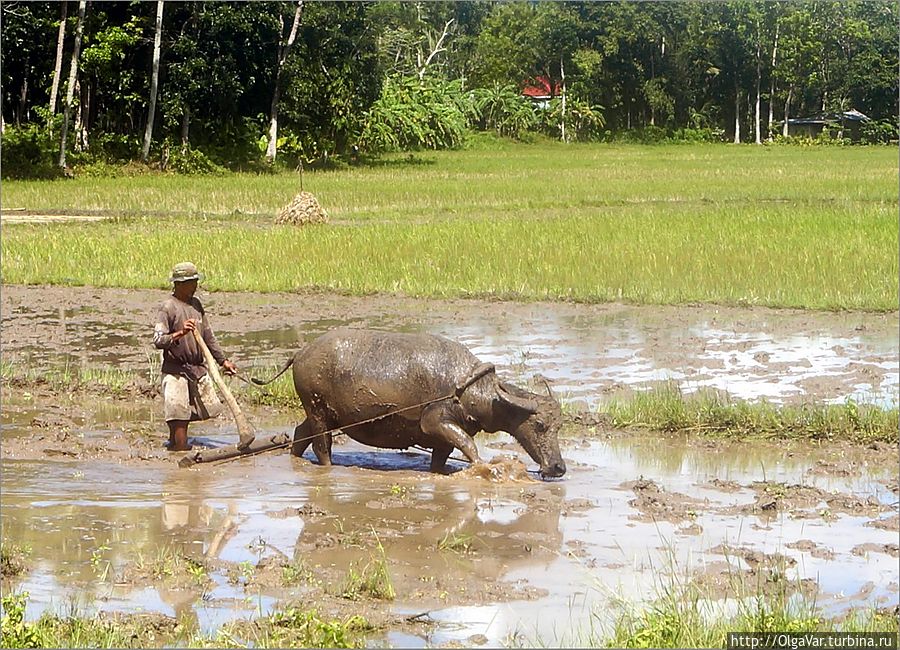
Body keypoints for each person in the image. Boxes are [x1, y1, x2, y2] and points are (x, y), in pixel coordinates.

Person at [153, 262, 237, 451]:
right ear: (180, 284)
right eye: (192, 282)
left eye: (196, 282)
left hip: (196, 369)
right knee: (179, 417)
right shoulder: (168, 307)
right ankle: (180, 454)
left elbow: (208, 336)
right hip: (176, 371)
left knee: (207, 410)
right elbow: (158, 340)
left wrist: (223, 361)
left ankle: (174, 440)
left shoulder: (196, 304)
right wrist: (180, 333)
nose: (196, 286)